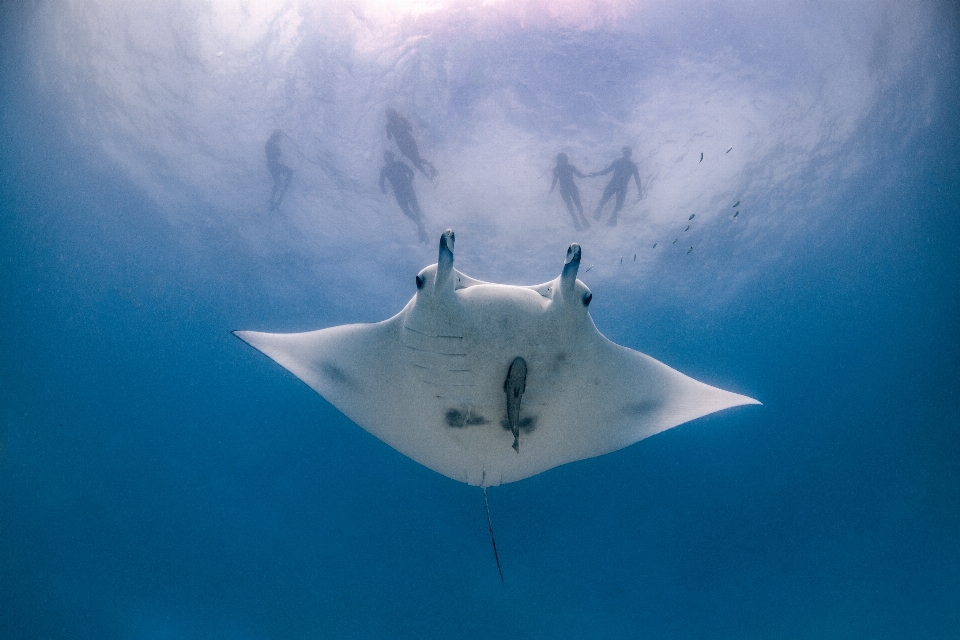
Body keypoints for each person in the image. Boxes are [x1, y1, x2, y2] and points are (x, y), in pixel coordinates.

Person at [380, 151, 428, 242]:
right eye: (386, 157)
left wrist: (409, 181)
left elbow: (411, 173)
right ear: (385, 159)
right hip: (398, 191)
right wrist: (383, 189)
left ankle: (419, 225)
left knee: (415, 207)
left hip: (407, 188)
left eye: (389, 157)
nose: (387, 159)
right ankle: (419, 224)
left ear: (392, 157)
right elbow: (381, 182)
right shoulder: (384, 169)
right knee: (406, 211)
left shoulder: (399, 164)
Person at [589, 146, 642, 226]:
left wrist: (640, 191)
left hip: (616, 185)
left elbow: (607, 171)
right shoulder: (628, 164)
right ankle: (607, 219)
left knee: (614, 205)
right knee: (609, 203)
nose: (626, 153)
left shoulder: (627, 164)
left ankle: (608, 219)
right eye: (626, 152)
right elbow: (607, 171)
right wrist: (596, 174)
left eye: (627, 152)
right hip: (618, 186)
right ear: (626, 153)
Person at [386, 108, 437, 180]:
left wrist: (402, 124)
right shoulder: (388, 125)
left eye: (392, 114)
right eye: (389, 115)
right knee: (415, 162)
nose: (391, 116)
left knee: (417, 159)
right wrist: (388, 130)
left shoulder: (401, 119)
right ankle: (429, 175)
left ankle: (430, 168)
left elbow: (410, 128)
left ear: (394, 113)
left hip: (409, 141)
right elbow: (389, 138)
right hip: (402, 146)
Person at [550, 153, 590, 231]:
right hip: (571, 188)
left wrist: (551, 190)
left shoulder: (557, 169)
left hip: (565, 189)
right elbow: (580, 175)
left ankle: (577, 220)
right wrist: (588, 176)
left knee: (571, 206)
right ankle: (581, 219)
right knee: (576, 205)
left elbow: (554, 181)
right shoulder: (570, 167)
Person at [265, 130, 293, 210]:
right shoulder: (270, 143)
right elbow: (274, 154)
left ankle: (272, 199)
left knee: (277, 182)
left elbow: (274, 155)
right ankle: (281, 195)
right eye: (278, 137)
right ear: (275, 136)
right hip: (274, 165)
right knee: (290, 172)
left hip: (271, 166)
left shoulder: (270, 143)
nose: (279, 139)